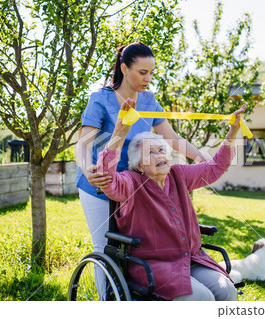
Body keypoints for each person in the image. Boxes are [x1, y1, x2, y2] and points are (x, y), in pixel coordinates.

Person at [75, 42, 210, 297]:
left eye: (151, 72)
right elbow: (83, 144)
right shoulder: (101, 99)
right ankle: (109, 302)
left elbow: (171, 137)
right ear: (124, 68)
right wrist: (88, 167)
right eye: (142, 72)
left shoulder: (149, 100)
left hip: (135, 185)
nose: (147, 78)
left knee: (134, 246)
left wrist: (203, 157)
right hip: (100, 182)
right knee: (106, 246)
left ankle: (136, 295)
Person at [96, 99, 247, 301]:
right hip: (154, 265)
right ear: (139, 165)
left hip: (191, 258)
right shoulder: (130, 183)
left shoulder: (178, 174)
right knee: (202, 299)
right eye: (151, 152)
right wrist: (120, 132)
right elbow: (107, 178)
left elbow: (215, 167)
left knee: (227, 291)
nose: (160, 155)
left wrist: (231, 133)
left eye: (161, 150)